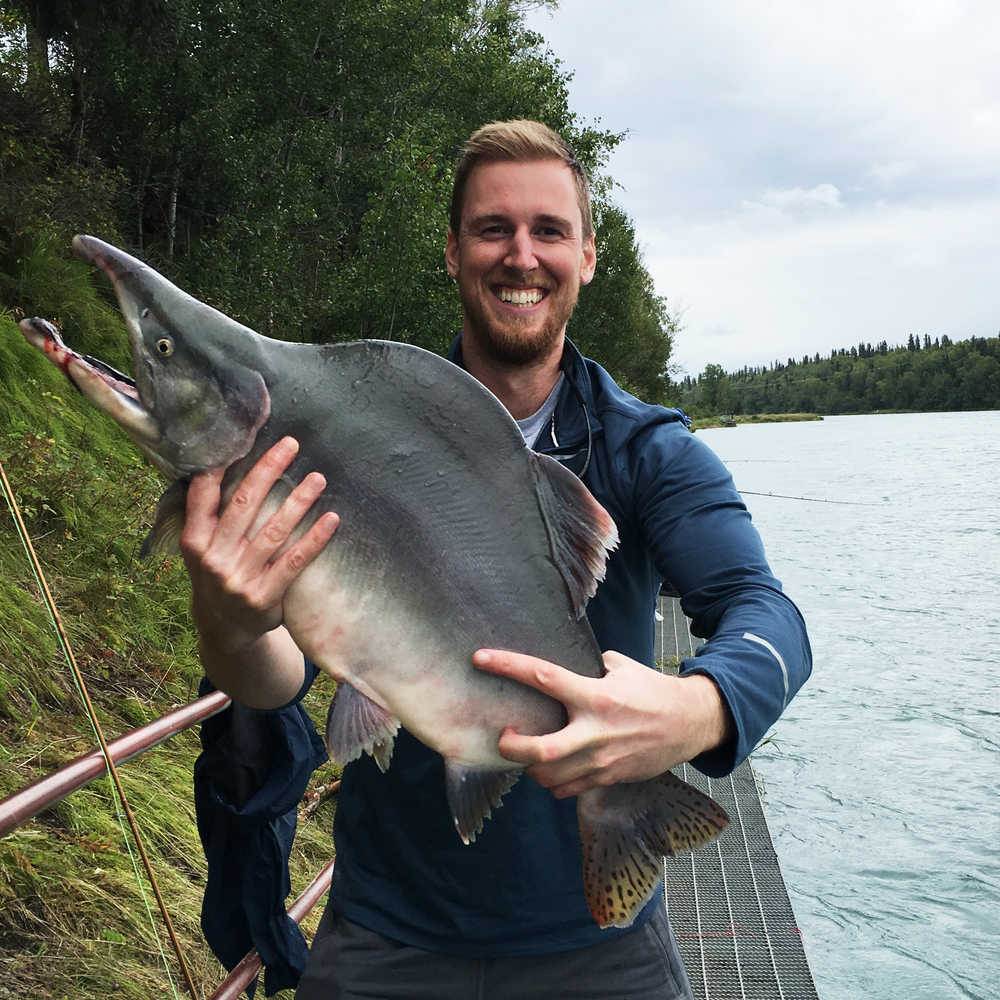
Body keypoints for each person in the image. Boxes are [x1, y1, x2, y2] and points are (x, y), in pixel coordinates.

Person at [182, 120, 812, 999]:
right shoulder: (363, 437)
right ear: (451, 252)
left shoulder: (647, 452)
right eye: (493, 229)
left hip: (601, 945)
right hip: (384, 929)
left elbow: (767, 615)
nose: (522, 256)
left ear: (588, 256)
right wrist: (231, 613)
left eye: (549, 230)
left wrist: (692, 711)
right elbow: (271, 681)